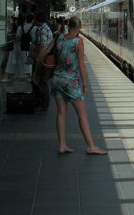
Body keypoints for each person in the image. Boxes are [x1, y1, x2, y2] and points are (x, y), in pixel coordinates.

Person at [50, 16, 106, 155]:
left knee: (61, 113)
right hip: (71, 82)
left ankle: (62, 145)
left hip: (57, 79)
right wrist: (85, 84)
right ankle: (91, 146)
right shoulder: (78, 41)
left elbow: (48, 52)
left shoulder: (60, 38)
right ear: (78, 27)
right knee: (82, 115)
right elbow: (81, 65)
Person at [31, 13, 53, 111]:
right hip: (42, 59)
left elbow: (43, 46)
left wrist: (38, 59)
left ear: (37, 20)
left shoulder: (43, 30)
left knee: (40, 81)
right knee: (41, 81)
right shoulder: (44, 28)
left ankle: (42, 103)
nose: (33, 21)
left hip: (41, 59)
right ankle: (43, 102)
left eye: (34, 19)